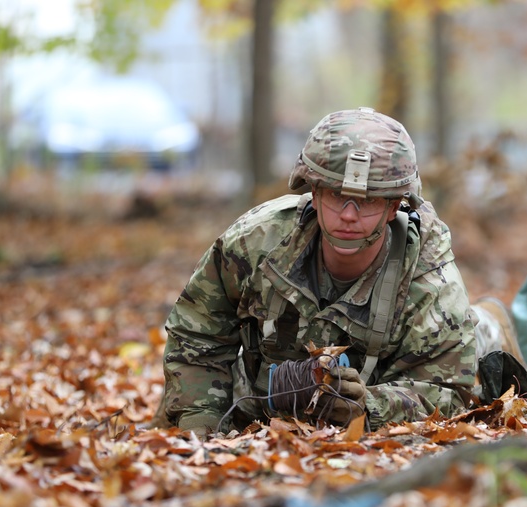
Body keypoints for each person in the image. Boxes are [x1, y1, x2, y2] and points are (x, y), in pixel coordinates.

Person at [158, 107, 479, 436]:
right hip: (260, 402)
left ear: (393, 206)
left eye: (368, 201)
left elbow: (449, 391)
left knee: (482, 345)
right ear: (314, 192)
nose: (349, 216)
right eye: (337, 196)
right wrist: (200, 426)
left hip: (385, 396)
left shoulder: (430, 282)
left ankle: (493, 325)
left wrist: (368, 405)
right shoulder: (255, 244)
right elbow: (197, 335)